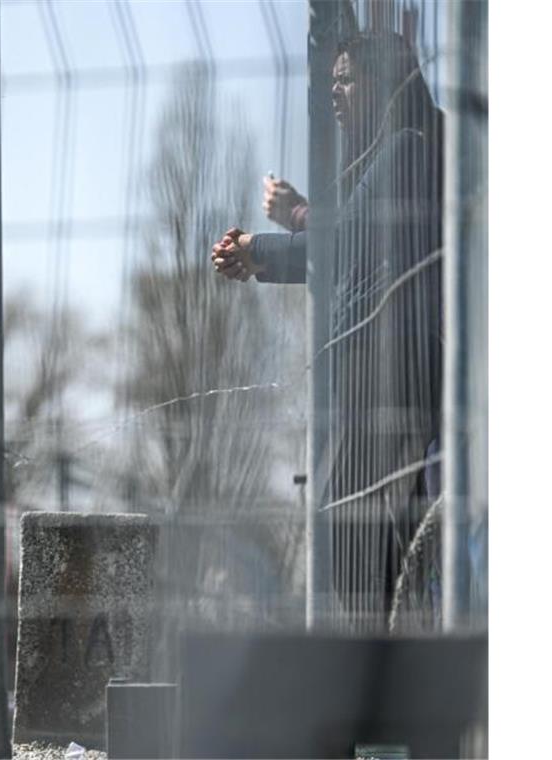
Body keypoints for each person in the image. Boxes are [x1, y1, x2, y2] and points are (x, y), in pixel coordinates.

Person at [211, 31, 444, 629]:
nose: (334, 94)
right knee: (369, 540)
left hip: (397, 381)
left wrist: (261, 250)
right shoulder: (397, 146)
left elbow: (346, 242)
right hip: (382, 382)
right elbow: (351, 233)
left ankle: (400, 671)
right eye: (332, 80)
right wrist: (288, 226)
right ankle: (401, 663)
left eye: (347, 80)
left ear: (386, 82)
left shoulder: (410, 144)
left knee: (355, 537)